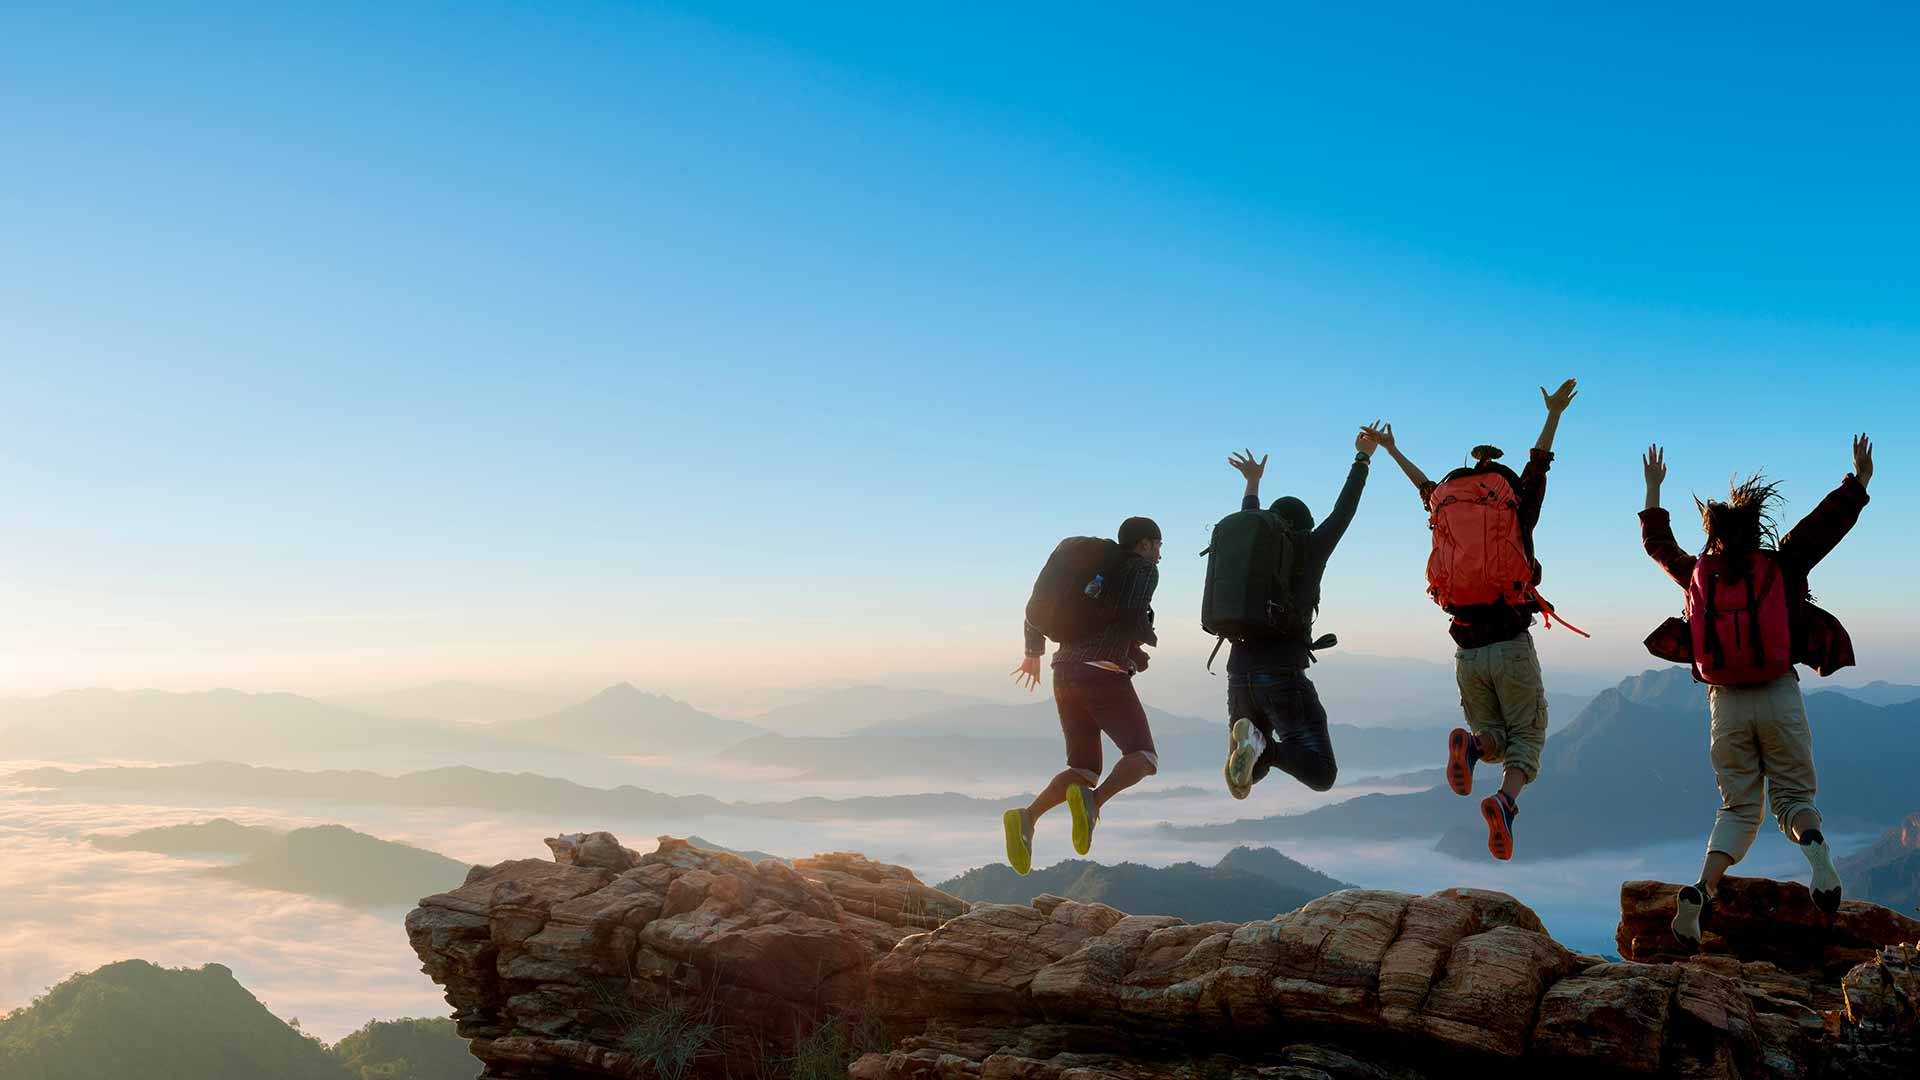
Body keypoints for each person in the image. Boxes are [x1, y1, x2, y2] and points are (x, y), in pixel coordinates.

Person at [1640, 435, 1873, 947]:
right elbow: (1824, 526)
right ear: (1757, 526)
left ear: (1714, 532)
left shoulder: (1698, 574)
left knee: (1739, 809)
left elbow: (1659, 547)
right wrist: (1858, 480)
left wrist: (1654, 490)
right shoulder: (1781, 564)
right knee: (1793, 796)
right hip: (1778, 692)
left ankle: (1703, 889)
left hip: (1725, 704)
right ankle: (1818, 859)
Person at [1362, 378, 1578, 860]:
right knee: (1527, 738)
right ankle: (1505, 801)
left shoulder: (1444, 501)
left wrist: (1391, 448)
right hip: (1510, 642)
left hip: (1466, 649)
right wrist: (1554, 414)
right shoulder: (1518, 505)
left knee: (1495, 740)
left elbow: (1422, 486)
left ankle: (1473, 747)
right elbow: (1539, 464)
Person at [1220, 429, 1376, 798]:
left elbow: (1249, 522)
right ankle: (1264, 746)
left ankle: (1255, 744)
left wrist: (1253, 484)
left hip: (1238, 672)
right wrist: (1362, 459)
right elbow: (1343, 511)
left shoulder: (1253, 556)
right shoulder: (1310, 546)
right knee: (1321, 772)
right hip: (1282, 675)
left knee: (1251, 774)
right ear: (1304, 526)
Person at [1005, 516, 1163, 874]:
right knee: (1143, 757)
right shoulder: (1140, 570)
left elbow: (1036, 611)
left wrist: (1033, 653)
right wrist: (1138, 653)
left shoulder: (1085, 575)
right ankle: (1094, 803)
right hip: (1103, 673)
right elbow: (1129, 618)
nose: (1158, 556)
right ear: (1143, 544)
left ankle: (1026, 819)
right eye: (1157, 546)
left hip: (1063, 673)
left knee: (1082, 769)